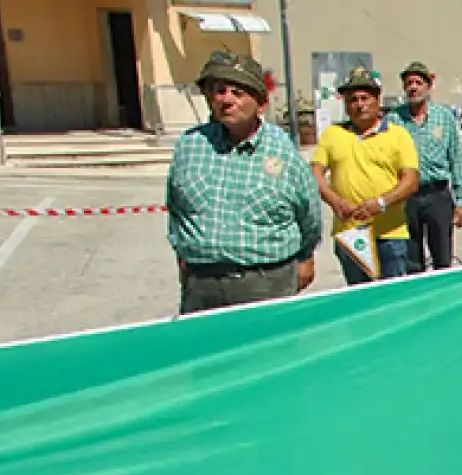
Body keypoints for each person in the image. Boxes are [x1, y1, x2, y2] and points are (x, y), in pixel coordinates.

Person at [167, 52, 322, 314]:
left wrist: (305, 257)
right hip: (202, 285)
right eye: (220, 91)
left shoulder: (282, 152)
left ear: (260, 104)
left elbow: (309, 215)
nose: (226, 100)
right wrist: (184, 258)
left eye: (237, 93)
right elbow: (176, 209)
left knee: (268, 353)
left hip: (265, 284)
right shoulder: (189, 146)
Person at [311, 67, 419, 285]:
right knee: (358, 296)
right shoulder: (333, 134)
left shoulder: (398, 135)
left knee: (391, 297)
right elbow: (315, 172)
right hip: (349, 232)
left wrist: (381, 202)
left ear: (377, 100)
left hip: (389, 234)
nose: (359, 104)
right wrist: (335, 201)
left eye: (364, 98)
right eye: (352, 100)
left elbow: (411, 180)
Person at [389, 61, 462, 274]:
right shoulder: (394, 120)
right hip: (407, 197)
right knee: (412, 260)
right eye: (409, 83)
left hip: (438, 195)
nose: (413, 87)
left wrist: (461, 201)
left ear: (428, 85)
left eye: (418, 82)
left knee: (443, 256)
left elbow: (457, 159)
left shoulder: (443, 117)